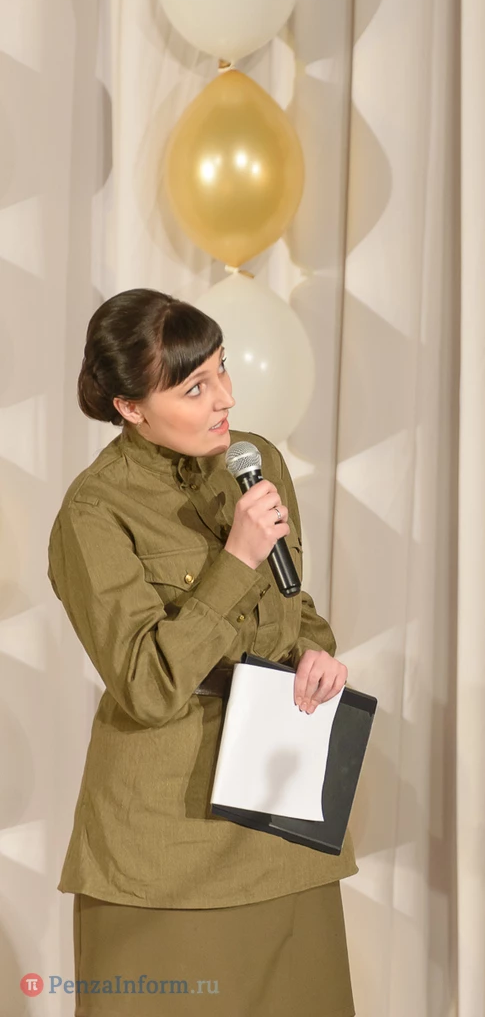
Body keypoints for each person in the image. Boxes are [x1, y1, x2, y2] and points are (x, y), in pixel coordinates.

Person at [50, 290, 356, 1015]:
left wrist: (317, 653)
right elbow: (146, 686)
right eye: (194, 387)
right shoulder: (93, 512)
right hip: (164, 841)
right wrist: (235, 558)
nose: (226, 398)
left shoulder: (256, 460)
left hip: (280, 816)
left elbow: (292, 603)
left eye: (222, 369)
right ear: (130, 407)